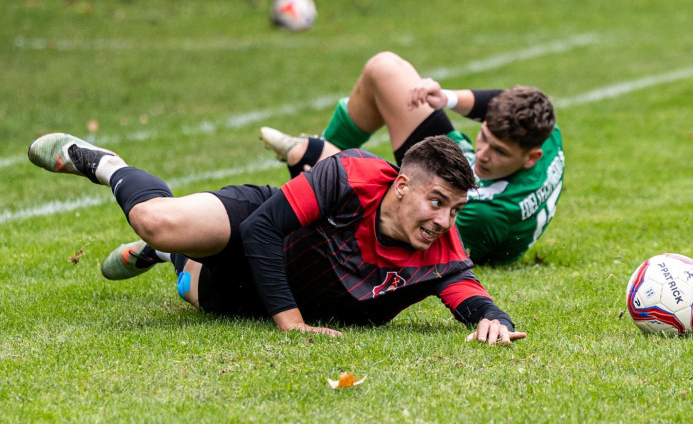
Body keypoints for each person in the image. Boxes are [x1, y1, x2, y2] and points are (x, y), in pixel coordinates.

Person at [28, 132, 525, 344]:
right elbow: (261, 229)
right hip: (260, 222)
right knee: (159, 221)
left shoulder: (442, 247)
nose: (444, 221)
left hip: (250, 289)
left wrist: (493, 322)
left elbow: (470, 294)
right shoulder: (353, 173)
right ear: (400, 185)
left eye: (455, 209)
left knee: (194, 291)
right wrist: (292, 324)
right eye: (436, 201)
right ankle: (103, 163)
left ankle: (170, 255)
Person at [258, 51, 565, 266]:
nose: (483, 154)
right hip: (461, 171)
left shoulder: (481, 213)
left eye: (499, 152)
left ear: (530, 158)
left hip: (457, 194)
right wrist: (447, 98)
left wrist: (328, 176)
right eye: (484, 136)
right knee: (384, 68)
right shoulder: (545, 132)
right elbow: (501, 101)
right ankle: (329, 146)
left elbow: (394, 220)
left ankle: (312, 173)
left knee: (307, 155)